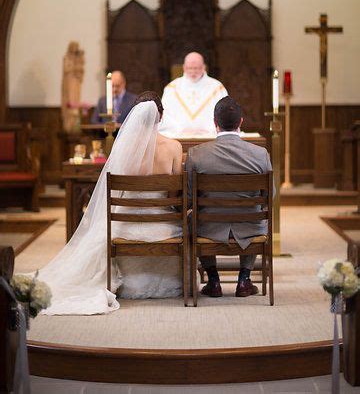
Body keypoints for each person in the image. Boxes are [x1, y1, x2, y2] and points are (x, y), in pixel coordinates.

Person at [37, 92, 183, 315]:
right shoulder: (174, 147)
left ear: (134, 116)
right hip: (161, 227)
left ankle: (126, 283)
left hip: (125, 224)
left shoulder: (123, 146)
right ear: (160, 117)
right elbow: (176, 190)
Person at [185, 96, 272, 299]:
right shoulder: (260, 154)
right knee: (259, 215)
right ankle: (244, 279)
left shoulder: (196, 154)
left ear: (215, 123)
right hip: (249, 227)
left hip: (208, 227)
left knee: (192, 218)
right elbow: (269, 197)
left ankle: (213, 280)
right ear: (241, 122)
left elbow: (189, 198)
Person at [159, 52, 228, 137]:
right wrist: (181, 129)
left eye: (196, 68)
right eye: (189, 68)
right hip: (179, 136)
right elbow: (165, 115)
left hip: (209, 136)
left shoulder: (217, 87)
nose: (193, 72)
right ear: (184, 68)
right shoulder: (171, 88)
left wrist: (208, 129)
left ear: (203, 67)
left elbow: (225, 113)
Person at [61, 41, 85, 132]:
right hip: (69, 81)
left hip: (76, 82)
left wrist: (79, 62)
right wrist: (75, 66)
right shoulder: (67, 58)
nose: (76, 49)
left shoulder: (78, 58)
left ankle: (75, 122)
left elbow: (81, 70)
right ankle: (69, 124)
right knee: (70, 100)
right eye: (74, 47)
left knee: (76, 100)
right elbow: (67, 69)